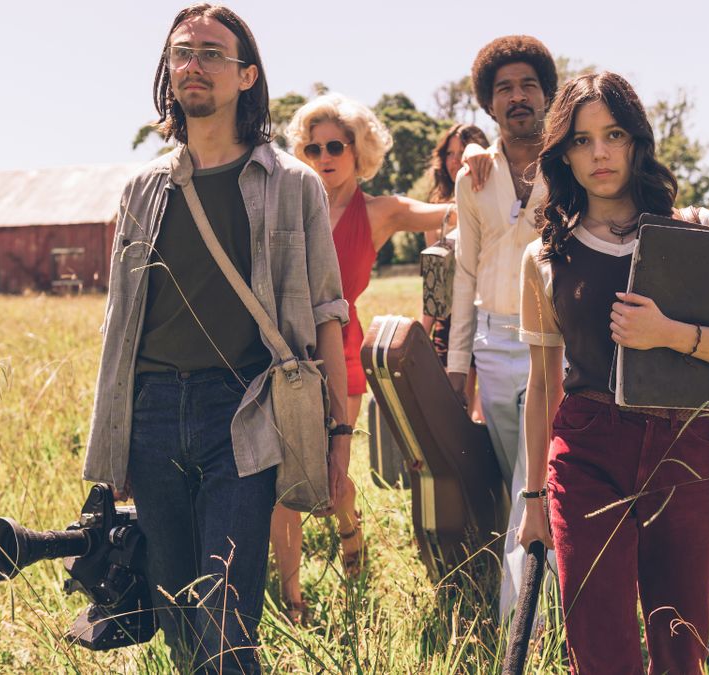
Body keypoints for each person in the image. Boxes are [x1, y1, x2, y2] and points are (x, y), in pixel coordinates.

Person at [81, 4, 352, 672]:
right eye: (181, 52)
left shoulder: (293, 185)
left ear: (246, 75)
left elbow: (326, 313)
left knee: (228, 615)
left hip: (244, 413)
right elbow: (120, 330)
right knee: (174, 611)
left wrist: (338, 435)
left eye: (210, 52)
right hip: (150, 416)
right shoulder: (141, 190)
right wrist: (108, 447)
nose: (193, 64)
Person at [517, 72, 709, 673]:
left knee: (681, 648)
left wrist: (671, 335)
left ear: (638, 142)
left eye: (613, 135)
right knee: (599, 647)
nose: (599, 154)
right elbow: (541, 385)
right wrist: (532, 498)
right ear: (563, 153)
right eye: (581, 141)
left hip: (684, 449)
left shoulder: (698, 231)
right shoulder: (545, 255)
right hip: (586, 452)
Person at [272, 93, 454, 621]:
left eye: (335, 146)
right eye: (312, 147)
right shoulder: (287, 208)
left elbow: (456, 214)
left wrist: (482, 168)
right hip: (283, 355)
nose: (324, 156)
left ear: (358, 151)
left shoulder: (379, 213)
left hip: (342, 356)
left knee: (332, 482)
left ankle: (348, 528)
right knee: (284, 484)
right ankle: (292, 601)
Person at [446, 35, 559, 622]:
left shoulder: (571, 165)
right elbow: (464, 272)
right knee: (518, 481)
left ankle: (524, 631)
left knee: (533, 485)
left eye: (528, 87)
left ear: (547, 95)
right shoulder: (476, 175)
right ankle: (548, 610)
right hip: (490, 344)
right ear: (490, 105)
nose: (517, 98)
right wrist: (458, 370)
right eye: (504, 89)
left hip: (553, 346)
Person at [422, 123, 490, 417]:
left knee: (484, 406)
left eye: (462, 152)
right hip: (448, 316)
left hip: (486, 308)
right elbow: (431, 279)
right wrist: (421, 329)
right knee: (450, 402)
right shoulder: (436, 210)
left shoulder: (491, 200)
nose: (455, 160)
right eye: (449, 153)